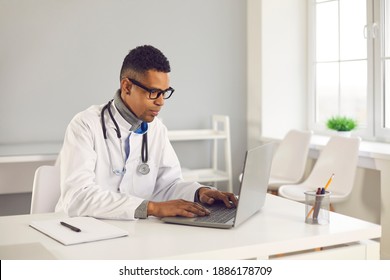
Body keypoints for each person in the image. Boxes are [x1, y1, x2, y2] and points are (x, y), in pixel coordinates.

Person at [55, 45, 237, 220]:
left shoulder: (156, 129)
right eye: (154, 92)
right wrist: (152, 208)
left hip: (134, 232)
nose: (161, 102)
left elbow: (168, 185)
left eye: (164, 93)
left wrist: (199, 193)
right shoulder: (85, 125)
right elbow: (78, 197)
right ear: (127, 87)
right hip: (80, 231)